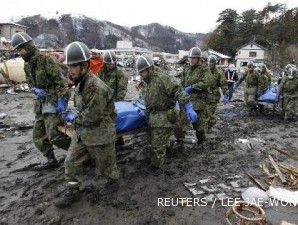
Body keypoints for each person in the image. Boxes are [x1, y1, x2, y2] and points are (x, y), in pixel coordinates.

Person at [55, 41, 119, 208]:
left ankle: (113, 184)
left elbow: (92, 116)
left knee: (107, 168)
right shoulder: (81, 83)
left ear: (84, 65)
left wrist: (72, 118)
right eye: (68, 66)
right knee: (70, 162)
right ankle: (73, 189)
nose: (69, 70)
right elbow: (80, 106)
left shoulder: (96, 87)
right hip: (83, 133)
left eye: (73, 67)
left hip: (100, 134)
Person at [11, 32, 71, 170]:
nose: (20, 53)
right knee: (38, 135)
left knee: (55, 135)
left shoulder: (46, 60)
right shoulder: (27, 65)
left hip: (54, 99)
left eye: (21, 49)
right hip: (41, 101)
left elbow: (62, 84)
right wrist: (35, 90)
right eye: (18, 50)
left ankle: (81, 152)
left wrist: (61, 101)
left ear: (28, 46)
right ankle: (51, 159)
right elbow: (30, 83)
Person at [136, 55, 197, 170]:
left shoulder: (163, 78)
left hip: (165, 115)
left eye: (142, 72)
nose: (141, 75)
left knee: (156, 147)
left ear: (149, 69)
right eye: (140, 73)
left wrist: (189, 107)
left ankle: (156, 167)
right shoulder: (146, 81)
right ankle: (167, 145)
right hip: (153, 115)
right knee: (152, 139)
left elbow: (178, 91)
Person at [97, 50, 128, 145]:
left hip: (114, 102)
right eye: (109, 64)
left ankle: (119, 140)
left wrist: (118, 103)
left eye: (112, 63)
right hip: (103, 102)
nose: (111, 65)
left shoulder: (119, 73)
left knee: (114, 122)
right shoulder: (101, 72)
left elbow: (122, 89)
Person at [180, 47, 210, 143]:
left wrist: (193, 87)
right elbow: (182, 83)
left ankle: (201, 141)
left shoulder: (204, 70)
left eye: (194, 58)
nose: (191, 60)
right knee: (181, 123)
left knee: (199, 127)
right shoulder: (186, 70)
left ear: (198, 59)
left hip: (199, 101)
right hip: (187, 100)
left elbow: (207, 82)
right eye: (190, 58)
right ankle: (180, 141)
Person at [206, 55, 228, 129]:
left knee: (209, 113)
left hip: (213, 96)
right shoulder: (205, 70)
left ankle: (210, 125)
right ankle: (207, 125)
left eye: (211, 64)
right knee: (204, 112)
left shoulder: (219, 73)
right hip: (204, 95)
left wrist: (225, 94)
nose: (210, 65)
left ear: (215, 64)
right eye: (209, 64)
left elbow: (224, 84)